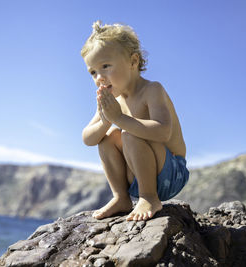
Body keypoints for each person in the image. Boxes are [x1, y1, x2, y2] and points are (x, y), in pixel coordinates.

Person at [81, 21, 189, 221]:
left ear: (133, 61)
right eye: (93, 72)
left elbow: (163, 131)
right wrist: (107, 119)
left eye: (105, 66)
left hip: (170, 174)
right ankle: (121, 197)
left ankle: (149, 197)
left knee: (129, 133)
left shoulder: (152, 90)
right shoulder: (114, 101)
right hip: (136, 176)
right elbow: (87, 138)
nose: (99, 77)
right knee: (107, 137)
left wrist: (119, 118)